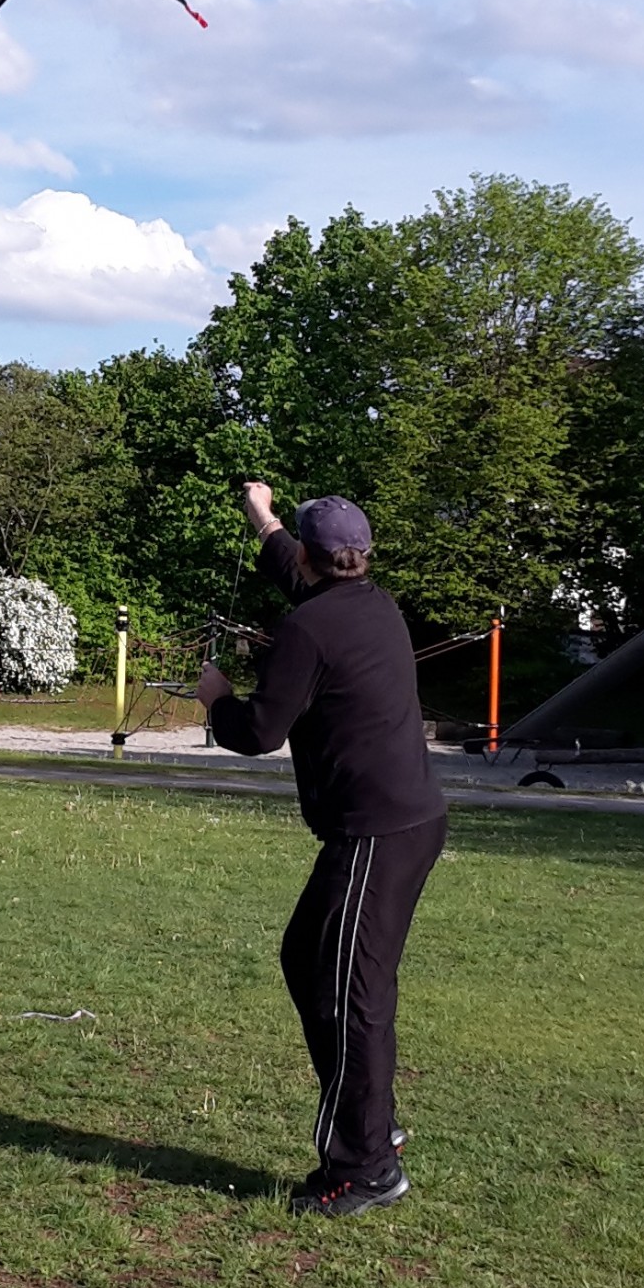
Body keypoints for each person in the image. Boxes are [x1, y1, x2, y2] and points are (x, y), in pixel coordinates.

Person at [196, 486, 446, 1220]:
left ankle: (364, 1167)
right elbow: (296, 572)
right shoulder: (373, 604)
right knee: (310, 957)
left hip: (377, 833)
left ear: (313, 557)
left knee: (350, 996)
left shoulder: (309, 630)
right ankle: (373, 1124)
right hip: (402, 825)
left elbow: (259, 731)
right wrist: (262, 514)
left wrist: (217, 698)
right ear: (356, 557)